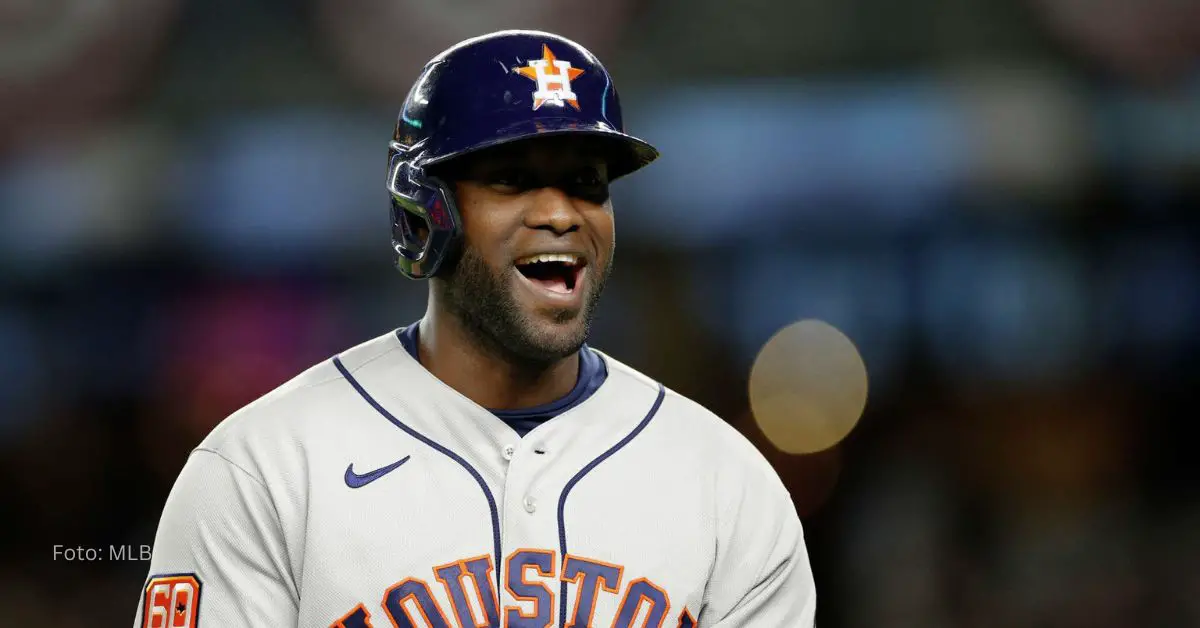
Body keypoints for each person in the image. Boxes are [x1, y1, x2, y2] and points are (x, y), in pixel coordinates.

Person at [134, 29, 816, 627]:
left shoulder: (727, 484)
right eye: (514, 180)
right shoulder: (267, 469)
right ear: (426, 212)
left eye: (586, 183)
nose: (560, 213)